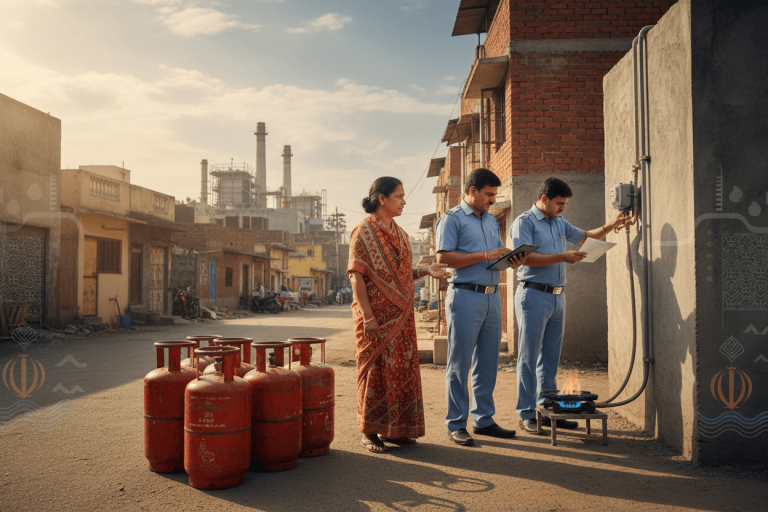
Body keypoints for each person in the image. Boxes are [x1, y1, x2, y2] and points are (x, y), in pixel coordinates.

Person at [510, 177, 624, 434]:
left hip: (557, 297)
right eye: (559, 203)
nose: (563, 208)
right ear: (544, 200)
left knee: (550, 359)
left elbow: (584, 238)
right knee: (529, 358)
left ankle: (549, 409)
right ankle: (527, 413)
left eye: (565, 204)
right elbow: (525, 257)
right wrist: (563, 256)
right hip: (533, 295)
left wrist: (611, 225)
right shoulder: (524, 222)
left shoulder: (559, 222)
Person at [349, 176, 451, 453]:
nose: (404, 201)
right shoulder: (363, 232)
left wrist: (426, 271)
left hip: (403, 319)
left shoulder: (402, 235)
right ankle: (370, 432)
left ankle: (397, 429)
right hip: (375, 320)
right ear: (382, 198)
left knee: (401, 371)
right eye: (399, 196)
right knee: (376, 371)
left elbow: (406, 275)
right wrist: (368, 317)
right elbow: (357, 277)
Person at [435, 168, 528, 446]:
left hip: (490, 298)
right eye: (489, 194)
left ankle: (483, 419)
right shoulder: (451, 219)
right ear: (473, 191)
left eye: (494, 195)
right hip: (464, 297)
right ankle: (456, 423)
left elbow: (493, 257)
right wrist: (484, 255)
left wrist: (510, 259)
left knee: (487, 363)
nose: (492, 200)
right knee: (459, 363)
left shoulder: (489, 219)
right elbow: (444, 258)